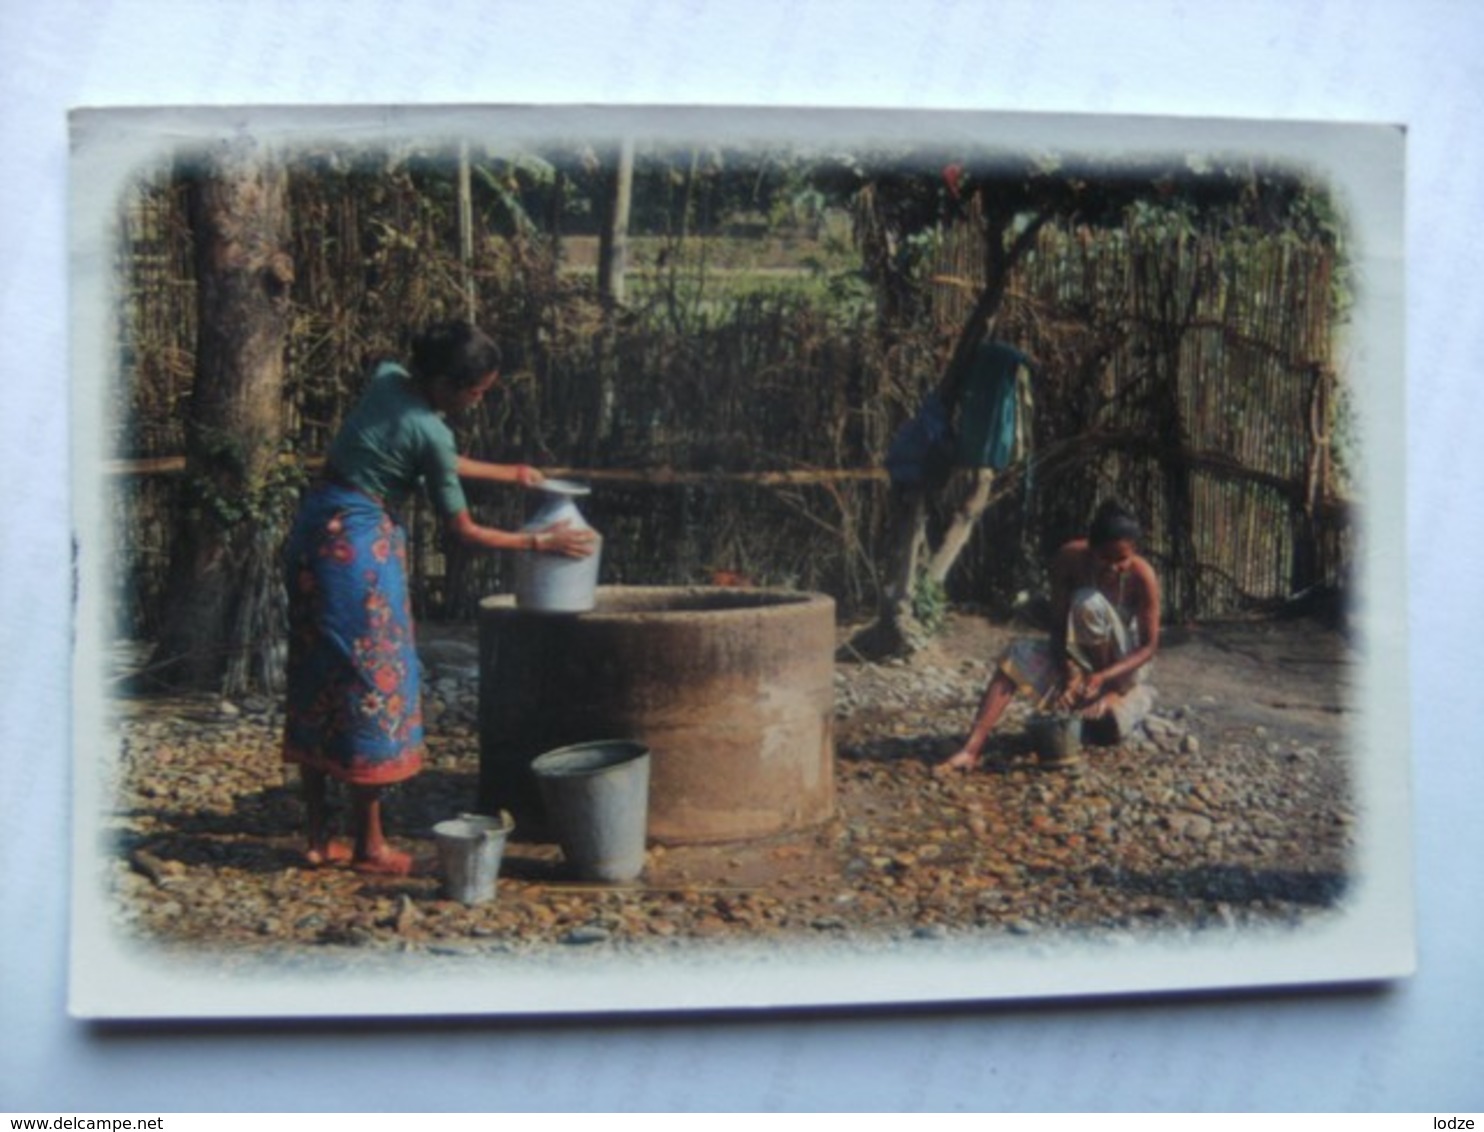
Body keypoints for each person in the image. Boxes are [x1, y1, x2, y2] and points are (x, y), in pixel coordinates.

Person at [281, 321, 595, 874]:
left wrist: (512, 474)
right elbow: (465, 531)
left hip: (315, 533)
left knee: (318, 673)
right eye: (476, 391)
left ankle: (315, 836)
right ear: (448, 383)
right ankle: (370, 846)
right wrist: (541, 541)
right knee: (370, 682)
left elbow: (427, 455)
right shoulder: (433, 430)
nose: (478, 400)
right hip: (358, 552)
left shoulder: (389, 380)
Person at [937, 499, 1160, 773]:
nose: (1114, 567)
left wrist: (1103, 680)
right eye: (1106, 558)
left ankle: (1120, 697)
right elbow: (1058, 627)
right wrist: (1069, 671)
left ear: (1134, 552)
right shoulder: (1069, 560)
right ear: (1091, 550)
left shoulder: (1142, 576)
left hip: (1122, 667)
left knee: (1088, 602)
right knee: (1015, 655)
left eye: (1122, 559)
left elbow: (1148, 648)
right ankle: (971, 748)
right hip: (1079, 657)